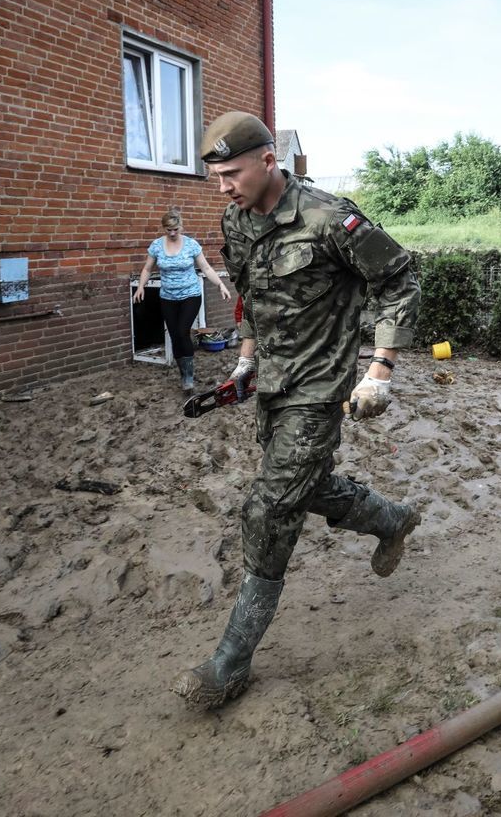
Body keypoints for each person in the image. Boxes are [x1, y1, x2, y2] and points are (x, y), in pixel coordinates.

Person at [171, 112, 421, 709]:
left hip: (321, 384)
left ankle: (231, 662)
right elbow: (252, 298)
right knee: (303, 485)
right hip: (273, 384)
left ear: (266, 160)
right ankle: (389, 519)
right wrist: (245, 361)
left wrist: (380, 368)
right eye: (216, 176)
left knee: (271, 505)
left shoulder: (329, 216)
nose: (223, 186)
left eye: (231, 173)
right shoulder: (234, 221)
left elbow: (401, 277)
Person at [133, 208, 232, 393]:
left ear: (181, 227)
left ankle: (189, 379)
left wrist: (221, 285)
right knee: (175, 335)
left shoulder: (191, 245)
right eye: (168, 229)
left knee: (182, 331)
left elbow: (206, 268)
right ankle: (184, 372)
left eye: (175, 229)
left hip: (191, 295)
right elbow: (147, 269)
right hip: (168, 297)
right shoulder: (156, 246)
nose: (172, 233)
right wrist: (140, 287)